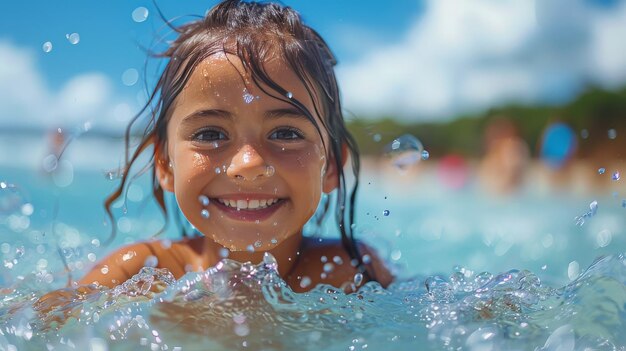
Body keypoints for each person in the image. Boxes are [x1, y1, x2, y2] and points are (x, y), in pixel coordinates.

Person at [78, 0, 392, 293]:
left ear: (332, 166)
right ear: (165, 163)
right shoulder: (138, 276)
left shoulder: (351, 273)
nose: (248, 164)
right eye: (209, 134)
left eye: (285, 134)